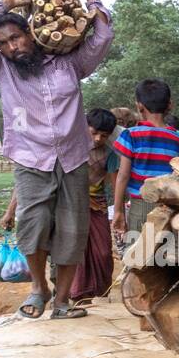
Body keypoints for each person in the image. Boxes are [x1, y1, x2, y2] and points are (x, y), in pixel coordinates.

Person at [0, 0, 113, 319]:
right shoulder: (2, 68)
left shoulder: (69, 64)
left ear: (31, 34)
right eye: (2, 43)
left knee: (71, 231)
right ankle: (39, 289)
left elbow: (103, 37)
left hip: (73, 159)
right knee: (31, 228)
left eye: (15, 37)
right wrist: (5, 4)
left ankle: (63, 301)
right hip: (30, 159)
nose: (11, 46)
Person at [111, 79, 179, 244]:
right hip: (172, 208)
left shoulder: (130, 135)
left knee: (139, 259)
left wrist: (118, 211)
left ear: (139, 106)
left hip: (141, 207)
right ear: (170, 105)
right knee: (167, 259)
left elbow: (123, 176)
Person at [70, 108, 119, 302]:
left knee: (103, 251)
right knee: (76, 251)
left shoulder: (110, 154)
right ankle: (79, 294)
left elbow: (116, 184)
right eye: (94, 133)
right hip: (72, 206)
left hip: (98, 207)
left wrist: (117, 211)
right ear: (85, 128)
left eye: (104, 135)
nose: (98, 138)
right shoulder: (72, 149)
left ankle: (101, 290)